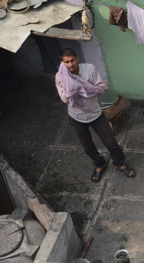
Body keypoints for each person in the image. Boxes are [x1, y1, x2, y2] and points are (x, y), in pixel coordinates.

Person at [55, 48, 135, 183]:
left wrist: (78, 88)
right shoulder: (60, 76)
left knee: (110, 142)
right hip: (76, 117)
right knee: (87, 146)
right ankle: (99, 164)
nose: (71, 64)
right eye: (67, 62)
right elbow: (64, 98)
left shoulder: (90, 69)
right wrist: (80, 88)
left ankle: (119, 163)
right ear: (62, 63)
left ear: (77, 59)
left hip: (95, 113)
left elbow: (100, 89)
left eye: (72, 60)